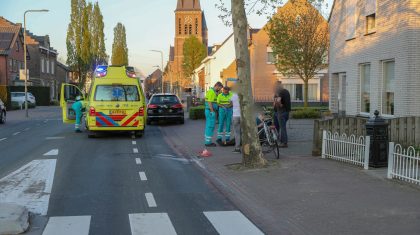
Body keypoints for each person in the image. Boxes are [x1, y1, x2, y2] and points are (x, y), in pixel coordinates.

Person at [204, 82, 224, 147]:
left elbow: (213, 101)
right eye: (220, 88)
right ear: (217, 86)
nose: (220, 90)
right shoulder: (212, 92)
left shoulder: (213, 92)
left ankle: (208, 141)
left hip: (210, 111)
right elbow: (209, 102)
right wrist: (212, 111)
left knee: (209, 126)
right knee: (210, 126)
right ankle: (208, 143)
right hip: (210, 111)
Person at [274, 81, 291, 148]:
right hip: (286, 112)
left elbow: (278, 101)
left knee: (282, 128)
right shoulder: (286, 91)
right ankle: (281, 141)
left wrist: (278, 104)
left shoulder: (280, 92)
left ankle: (284, 143)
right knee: (282, 127)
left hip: (281, 112)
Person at [231, 85, 241, 153]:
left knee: (237, 133)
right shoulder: (245, 95)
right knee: (245, 133)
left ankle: (237, 148)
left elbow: (230, 103)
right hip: (243, 116)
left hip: (235, 115)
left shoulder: (233, 95)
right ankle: (247, 148)